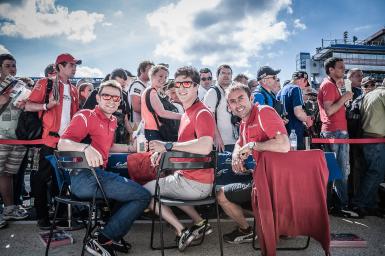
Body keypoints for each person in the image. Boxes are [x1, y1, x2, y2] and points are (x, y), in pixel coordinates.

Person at [58, 80, 151, 256]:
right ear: (98, 98)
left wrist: (131, 148)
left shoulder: (113, 120)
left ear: (119, 102)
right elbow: (62, 143)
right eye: (106, 96)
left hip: (97, 175)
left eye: (116, 98)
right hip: (84, 177)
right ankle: (104, 238)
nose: (111, 100)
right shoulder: (85, 115)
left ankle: (109, 233)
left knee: (132, 189)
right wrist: (86, 148)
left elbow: (108, 147)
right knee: (142, 195)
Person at [144, 66, 216, 252]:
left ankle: (181, 229)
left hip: (194, 183)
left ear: (196, 86)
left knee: (144, 193)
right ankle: (200, 222)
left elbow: (205, 146)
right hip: (189, 180)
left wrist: (167, 146)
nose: (181, 88)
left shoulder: (201, 112)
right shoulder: (187, 113)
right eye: (178, 84)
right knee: (164, 186)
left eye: (186, 83)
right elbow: (187, 149)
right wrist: (163, 151)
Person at [217, 82, 289, 244]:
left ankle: (247, 230)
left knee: (221, 195)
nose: (238, 104)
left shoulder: (263, 112)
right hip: (263, 178)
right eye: (232, 101)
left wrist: (254, 145)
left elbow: (284, 145)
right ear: (229, 106)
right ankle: (279, 225)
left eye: (241, 98)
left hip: (274, 183)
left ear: (250, 98)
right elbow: (239, 143)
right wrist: (236, 154)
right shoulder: (245, 121)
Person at [25, 53, 80, 229]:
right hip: (46, 141)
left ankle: (61, 216)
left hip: (66, 142)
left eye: (75, 65)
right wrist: (46, 106)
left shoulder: (73, 89)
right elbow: (27, 105)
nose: (74, 67)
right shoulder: (45, 83)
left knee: (63, 181)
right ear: (60, 67)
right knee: (41, 179)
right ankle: (42, 218)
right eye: (71, 64)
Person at [317, 57, 353, 217]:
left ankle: (331, 206)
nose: (343, 70)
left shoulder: (330, 85)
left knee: (333, 171)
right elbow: (330, 110)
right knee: (341, 171)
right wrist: (345, 98)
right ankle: (341, 206)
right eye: (340, 67)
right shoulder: (328, 85)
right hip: (335, 131)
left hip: (332, 131)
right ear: (331, 69)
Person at [0, 53, 29, 229]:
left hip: (16, 138)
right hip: (1, 138)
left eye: (14, 65)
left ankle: (9, 209)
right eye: (8, 65)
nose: (12, 69)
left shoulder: (20, 85)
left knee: (7, 174)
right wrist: (3, 99)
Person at [350, 79, 385, 218]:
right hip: (376, 139)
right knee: (375, 173)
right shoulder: (382, 94)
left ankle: (369, 204)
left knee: (371, 173)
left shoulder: (369, 95)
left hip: (367, 138)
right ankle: (360, 203)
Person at [141, 65, 181, 141]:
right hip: (153, 131)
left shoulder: (150, 91)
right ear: (152, 76)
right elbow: (162, 113)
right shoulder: (152, 92)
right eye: (161, 76)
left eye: (166, 77)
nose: (163, 79)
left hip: (151, 130)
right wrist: (183, 116)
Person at [276, 71, 313, 149]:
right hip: (295, 134)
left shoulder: (280, 92)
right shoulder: (296, 88)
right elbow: (298, 113)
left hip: (283, 133)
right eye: (305, 83)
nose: (304, 87)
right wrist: (307, 119)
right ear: (303, 79)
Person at [203, 64, 237, 152]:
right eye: (223, 73)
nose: (226, 75)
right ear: (217, 76)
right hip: (220, 143)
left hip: (234, 141)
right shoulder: (213, 92)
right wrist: (217, 138)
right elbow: (209, 117)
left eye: (229, 73)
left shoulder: (231, 93)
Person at [128, 60, 154, 125]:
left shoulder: (149, 85)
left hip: (145, 123)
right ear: (142, 70)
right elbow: (136, 107)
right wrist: (156, 110)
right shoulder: (137, 85)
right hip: (136, 125)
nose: (153, 73)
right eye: (150, 70)